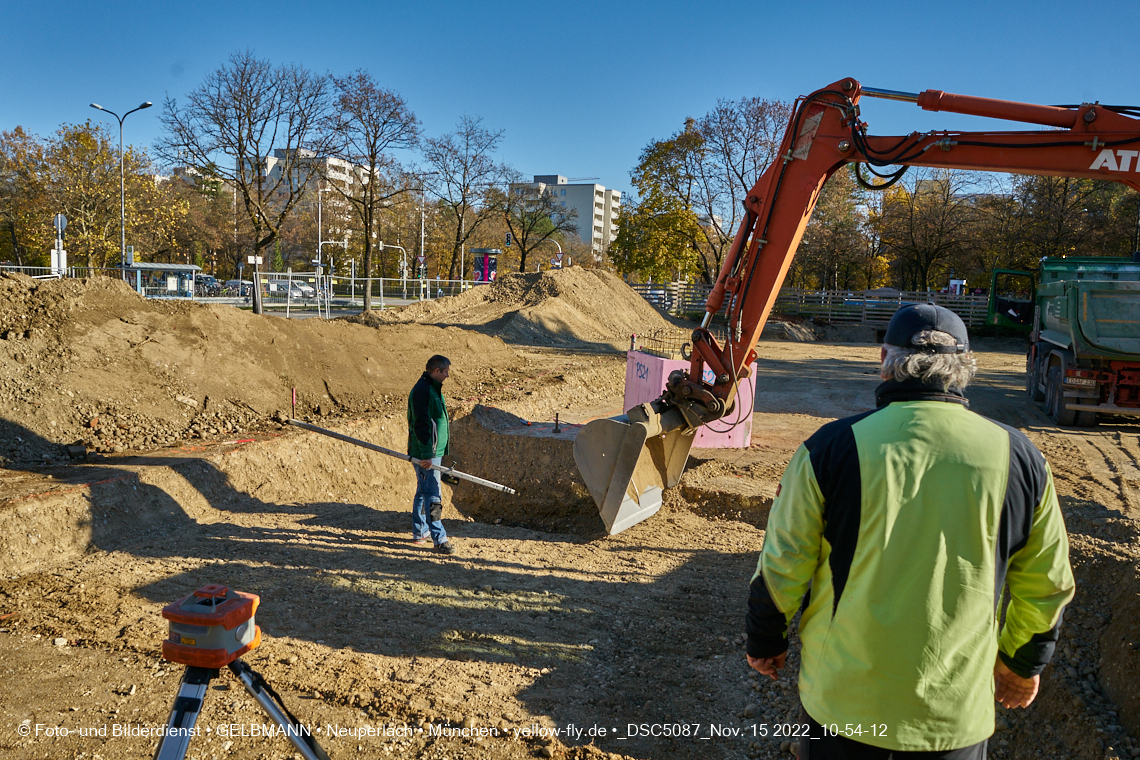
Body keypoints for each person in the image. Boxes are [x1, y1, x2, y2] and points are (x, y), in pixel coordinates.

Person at [745, 303, 1074, 759]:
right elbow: (1046, 583)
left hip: (844, 705)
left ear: (885, 359)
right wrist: (1020, 664)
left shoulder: (829, 449)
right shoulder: (1021, 458)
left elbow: (784, 562)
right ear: (966, 366)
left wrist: (766, 641)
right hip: (954, 717)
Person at [407, 354, 454, 554]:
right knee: (433, 493)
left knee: (423, 490)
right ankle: (439, 538)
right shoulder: (423, 391)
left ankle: (420, 531)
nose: (447, 375)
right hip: (427, 452)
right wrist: (427, 454)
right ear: (437, 371)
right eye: (445, 372)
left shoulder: (432, 388)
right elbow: (422, 424)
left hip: (431, 451)